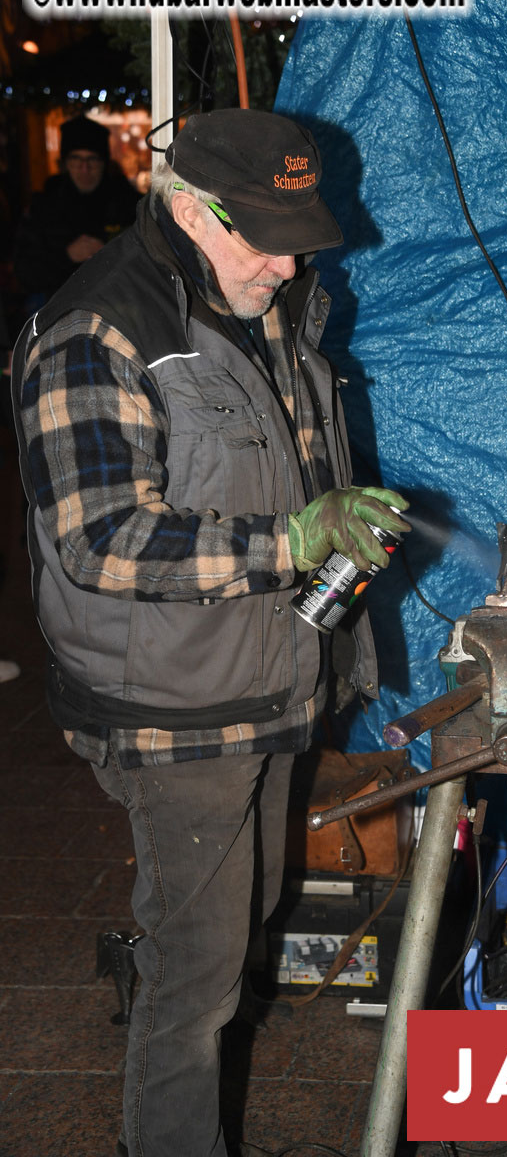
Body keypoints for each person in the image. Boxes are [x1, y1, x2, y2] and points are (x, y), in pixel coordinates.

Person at [12, 108, 409, 1157]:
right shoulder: (96, 332)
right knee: (193, 983)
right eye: (265, 235)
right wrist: (292, 538)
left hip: (268, 677)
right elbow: (99, 539)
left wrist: (339, 524)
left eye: (297, 234)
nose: (286, 262)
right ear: (188, 207)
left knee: (240, 932)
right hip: (171, 709)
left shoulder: (260, 302)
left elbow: (280, 467)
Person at [14, 114, 141, 307]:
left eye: (92, 160)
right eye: (76, 159)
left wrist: (110, 254)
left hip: (118, 309)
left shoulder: (128, 203)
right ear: (66, 164)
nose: (84, 169)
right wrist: (67, 256)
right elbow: (24, 271)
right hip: (57, 312)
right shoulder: (44, 207)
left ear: (103, 163)